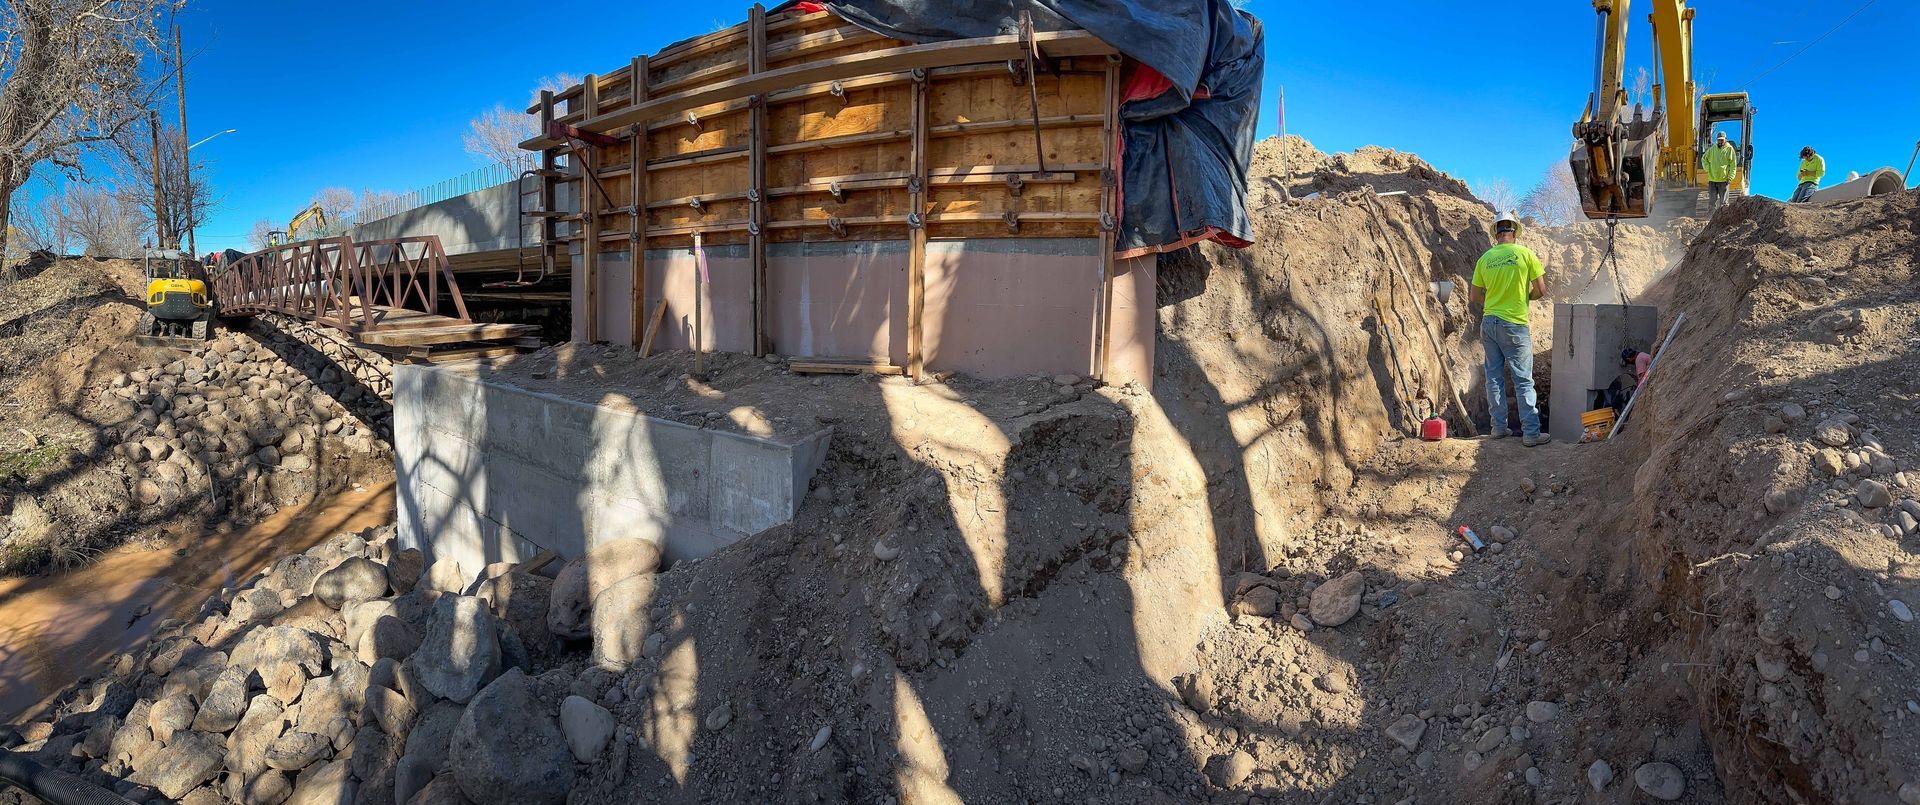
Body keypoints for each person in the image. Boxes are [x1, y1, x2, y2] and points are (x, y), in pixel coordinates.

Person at [1471, 211, 1549, 446]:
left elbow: (1474, 295)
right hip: (1514, 324)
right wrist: (1526, 297)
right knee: (1523, 380)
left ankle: (1498, 428)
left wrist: (1493, 304)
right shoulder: (1525, 254)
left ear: (1495, 233)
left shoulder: (1485, 259)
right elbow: (1541, 290)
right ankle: (1532, 434)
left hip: (1489, 323)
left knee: (1493, 378)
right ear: (1515, 232)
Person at [1701, 131, 1738, 213]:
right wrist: (1708, 168)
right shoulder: (1712, 149)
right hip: (1712, 179)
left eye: (1722, 140)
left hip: (1724, 180)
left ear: (1725, 139)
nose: (1720, 141)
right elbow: (1704, 159)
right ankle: (1710, 217)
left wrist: (1730, 177)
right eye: (1718, 140)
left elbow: (1733, 165)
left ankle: (1723, 218)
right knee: (1712, 201)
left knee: (1724, 203)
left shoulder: (1729, 149)